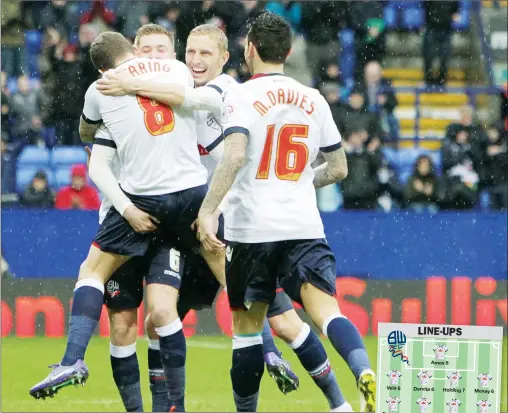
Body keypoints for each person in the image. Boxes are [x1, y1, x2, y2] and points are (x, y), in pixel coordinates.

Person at [94, 24, 297, 409]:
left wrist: (214, 209)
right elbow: (96, 144)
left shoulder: (214, 94)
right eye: (192, 53)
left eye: (163, 49)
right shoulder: (127, 101)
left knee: (270, 309)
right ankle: (165, 405)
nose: (196, 60)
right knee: (154, 320)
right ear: (136, 54)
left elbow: (229, 156)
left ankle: (286, 359)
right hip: (159, 223)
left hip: (203, 220)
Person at [29, 31, 219, 413]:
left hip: (140, 204)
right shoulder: (177, 74)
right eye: (146, 49)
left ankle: (74, 361)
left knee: (139, 299)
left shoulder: (102, 91)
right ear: (133, 50)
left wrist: (125, 87)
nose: (153, 55)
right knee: (124, 327)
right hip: (170, 202)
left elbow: (86, 135)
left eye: (159, 49)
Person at [196, 12, 376, 412]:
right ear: (289, 52)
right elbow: (339, 168)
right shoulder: (313, 98)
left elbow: (236, 155)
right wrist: (294, 181)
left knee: (246, 329)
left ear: (250, 49)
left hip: (251, 231)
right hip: (303, 226)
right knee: (328, 313)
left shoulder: (239, 96)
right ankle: (363, 370)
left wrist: (209, 211)